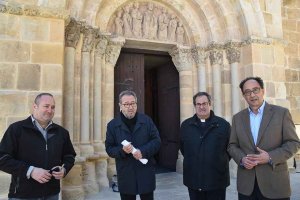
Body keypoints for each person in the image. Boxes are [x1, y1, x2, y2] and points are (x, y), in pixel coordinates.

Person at [228, 77, 300, 200]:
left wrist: (270, 156)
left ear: (263, 91)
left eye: (255, 90)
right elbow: (232, 145)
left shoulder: (281, 113)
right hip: (247, 186)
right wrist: (242, 159)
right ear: (244, 96)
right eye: (247, 92)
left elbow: (293, 143)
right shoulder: (237, 118)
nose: (252, 95)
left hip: (275, 184)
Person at [0, 93, 76, 199]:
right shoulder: (16, 129)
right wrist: (30, 171)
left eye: (53, 107)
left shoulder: (62, 132)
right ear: (35, 106)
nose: (50, 110)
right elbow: (2, 159)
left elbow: (69, 156)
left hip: (52, 194)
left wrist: (64, 169)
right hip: (23, 195)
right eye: (46, 106)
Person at [105, 90, 161, 200]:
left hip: (145, 172)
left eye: (133, 103)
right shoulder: (112, 125)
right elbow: (109, 148)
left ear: (136, 104)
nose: (130, 107)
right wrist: (122, 151)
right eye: (126, 104)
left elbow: (157, 141)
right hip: (126, 174)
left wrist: (143, 151)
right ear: (120, 106)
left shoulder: (146, 121)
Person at [180, 92, 231, 200]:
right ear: (195, 106)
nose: (201, 107)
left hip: (217, 179)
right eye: (198, 104)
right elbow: (183, 148)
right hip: (194, 179)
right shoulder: (185, 125)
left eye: (204, 103)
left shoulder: (223, 125)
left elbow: (230, 149)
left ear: (210, 104)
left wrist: (218, 162)